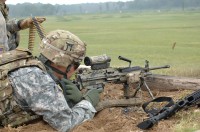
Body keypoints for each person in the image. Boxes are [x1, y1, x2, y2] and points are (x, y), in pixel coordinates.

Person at [0, 30, 100, 132]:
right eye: (75, 65)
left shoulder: (27, 66)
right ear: (65, 63)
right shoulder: (37, 79)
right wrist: (88, 102)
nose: (74, 70)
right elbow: (67, 124)